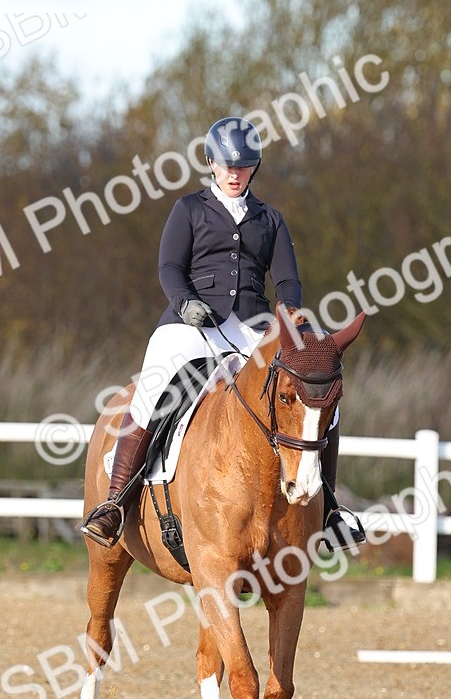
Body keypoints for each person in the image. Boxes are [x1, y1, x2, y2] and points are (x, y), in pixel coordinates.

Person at [81, 116, 351, 549]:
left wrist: (288, 316)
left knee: (317, 398)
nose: (234, 174)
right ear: (210, 162)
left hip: (253, 329)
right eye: (226, 165)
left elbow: (287, 281)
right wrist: (185, 300)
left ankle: (331, 509)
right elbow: (169, 266)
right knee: (153, 391)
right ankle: (115, 503)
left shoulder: (271, 219)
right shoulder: (189, 209)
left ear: (253, 169)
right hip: (190, 322)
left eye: (242, 167)